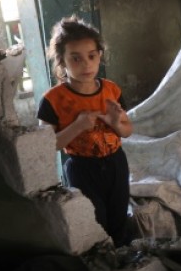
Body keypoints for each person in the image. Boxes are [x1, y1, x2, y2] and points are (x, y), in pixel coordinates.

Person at [37, 16, 133, 246]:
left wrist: (116, 123)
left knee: (119, 218)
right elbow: (47, 146)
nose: (86, 65)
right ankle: (102, 264)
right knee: (94, 220)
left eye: (92, 56)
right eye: (76, 59)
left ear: (100, 55)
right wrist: (77, 126)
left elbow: (128, 130)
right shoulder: (52, 100)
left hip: (116, 163)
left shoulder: (111, 89)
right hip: (82, 168)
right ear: (62, 61)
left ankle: (124, 262)